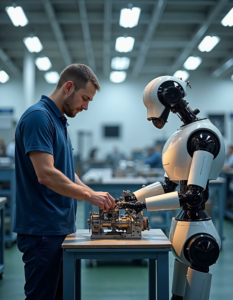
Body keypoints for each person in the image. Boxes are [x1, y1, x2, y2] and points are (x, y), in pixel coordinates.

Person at [13, 64, 115, 300]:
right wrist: (89, 196)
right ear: (69, 87)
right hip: (42, 232)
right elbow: (46, 174)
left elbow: (66, 172)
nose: (86, 106)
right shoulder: (39, 117)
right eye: (85, 98)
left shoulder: (58, 121)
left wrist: (91, 191)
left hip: (59, 228)